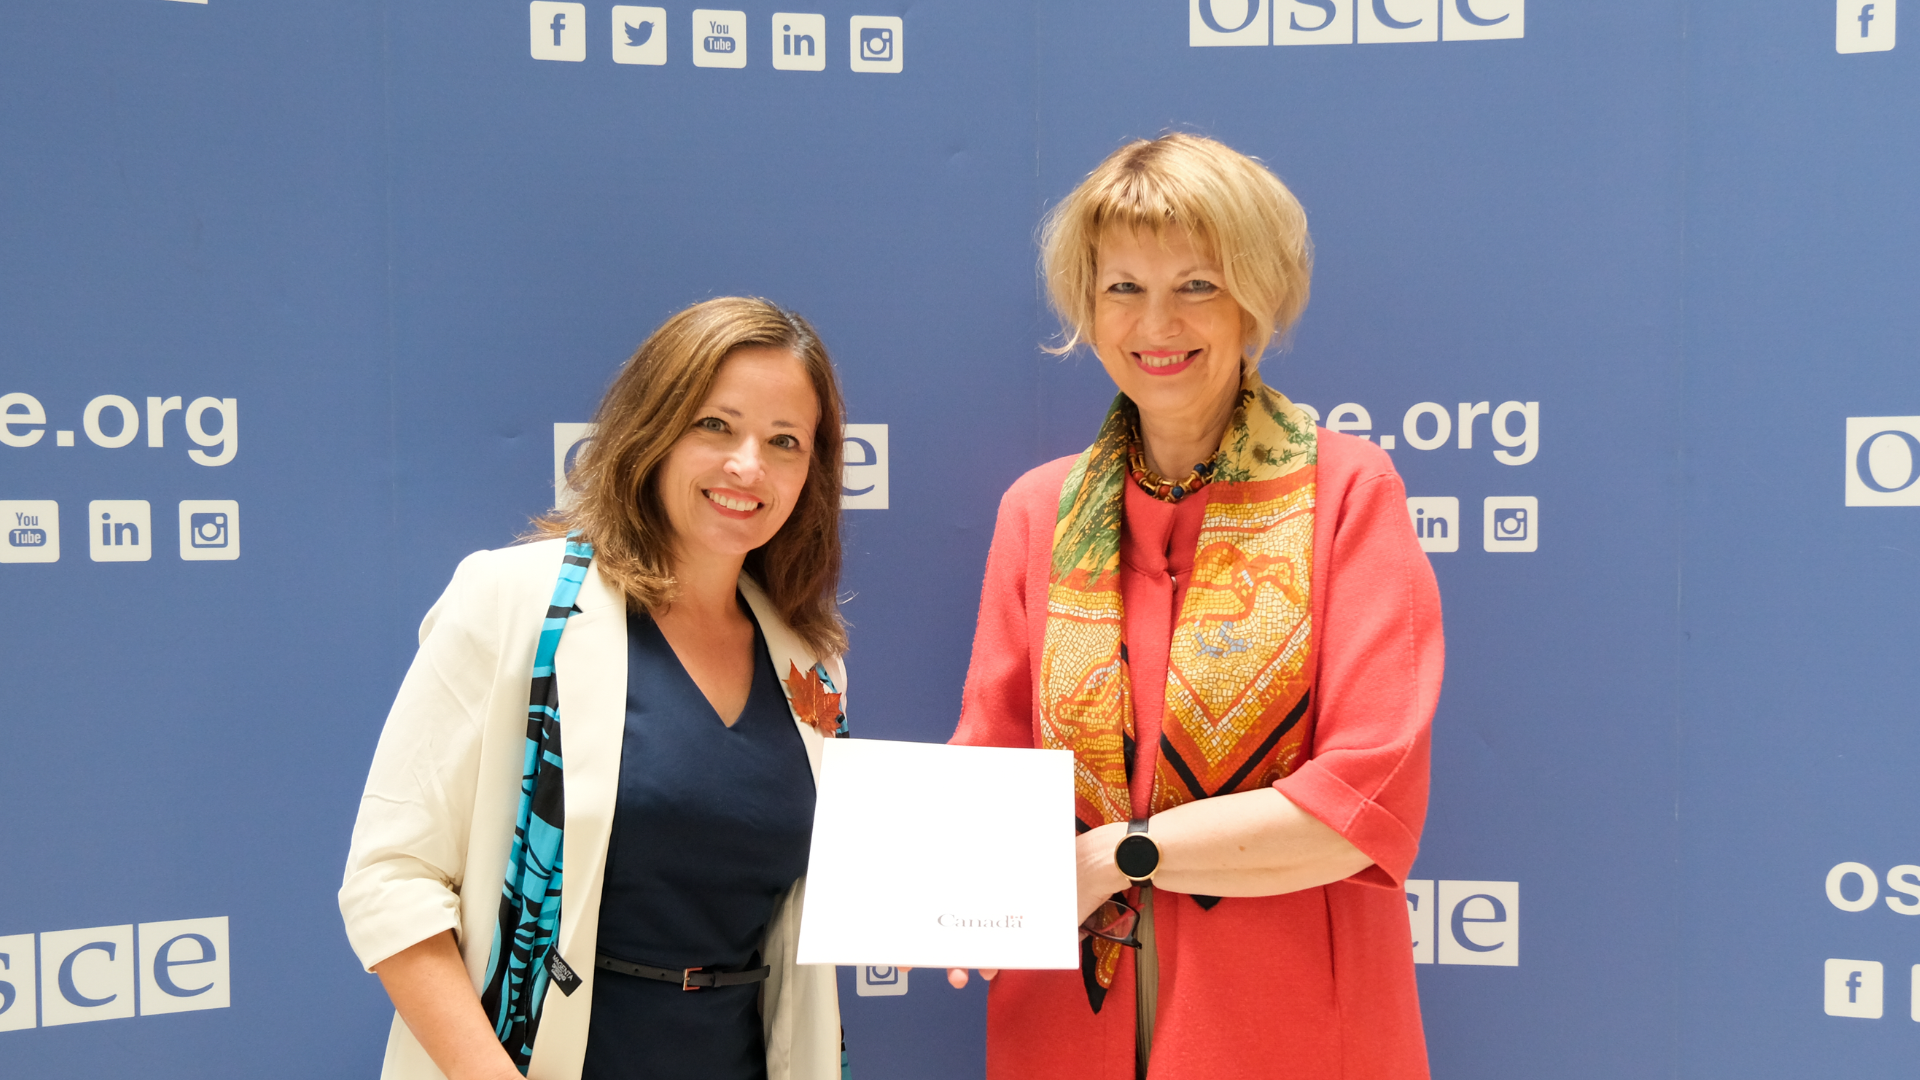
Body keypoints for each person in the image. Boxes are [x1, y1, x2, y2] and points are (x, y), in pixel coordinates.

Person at [947, 133, 1444, 1080]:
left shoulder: (1348, 492)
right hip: (1063, 1028)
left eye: (1197, 285)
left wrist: (1121, 855)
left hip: (1290, 1030)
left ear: (1255, 296)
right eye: (1123, 287)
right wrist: (936, 891)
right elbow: (987, 776)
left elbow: (1362, 802)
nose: (1156, 322)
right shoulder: (1039, 512)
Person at [340, 297, 851, 1080]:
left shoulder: (810, 663)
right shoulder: (512, 602)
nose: (748, 466)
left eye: (785, 441)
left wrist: (964, 918)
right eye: (716, 425)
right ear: (655, 429)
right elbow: (390, 881)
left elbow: (824, 895)